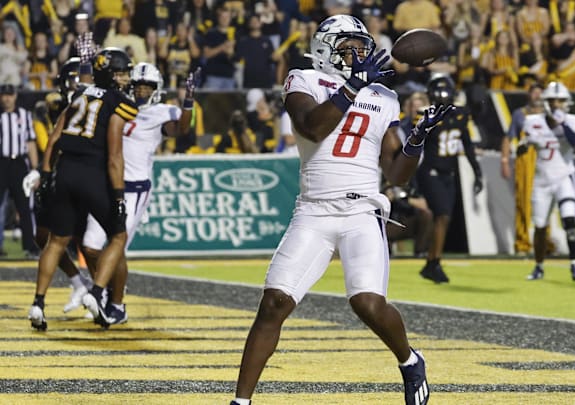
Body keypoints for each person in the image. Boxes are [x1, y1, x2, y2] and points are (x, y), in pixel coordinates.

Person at [230, 14, 446, 405]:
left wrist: (417, 139)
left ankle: (410, 359)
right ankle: (240, 401)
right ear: (325, 48)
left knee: (366, 304)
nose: (359, 54)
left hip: (362, 211)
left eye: (362, 47)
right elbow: (312, 126)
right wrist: (353, 85)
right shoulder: (304, 79)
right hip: (313, 210)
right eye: (349, 46)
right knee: (274, 303)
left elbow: (396, 174)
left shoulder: (385, 97)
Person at [28, 45, 138, 331]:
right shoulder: (117, 101)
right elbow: (114, 155)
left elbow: (53, 140)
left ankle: (38, 303)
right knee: (118, 235)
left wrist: (46, 175)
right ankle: (97, 292)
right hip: (93, 173)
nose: (126, 79)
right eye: (122, 73)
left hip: (64, 172)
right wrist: (118, 195)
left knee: (56, 241)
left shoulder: (79, 94)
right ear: (111, 75)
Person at [80, 63, 195, 324]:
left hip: (134, 188)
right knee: (90, 246)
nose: (142, 90)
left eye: (147, 86)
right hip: (105, 183)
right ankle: (108, 288)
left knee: (116, 248)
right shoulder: (119, 103)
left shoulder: (161, 112)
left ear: (157, 90)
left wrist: (188, 101)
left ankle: (117, 305)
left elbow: (181, 130)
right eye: (139, 85)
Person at [24, 57, 94, 313]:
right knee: (44, 235)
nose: (77, 83)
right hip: (58, 176)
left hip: (86, 176)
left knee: (87, 242)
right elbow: (50, 143)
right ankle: (79, 283)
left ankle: (104, 293)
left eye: (81, 77)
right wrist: (41, 171)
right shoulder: (52, 108)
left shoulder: (95, 103)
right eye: (73, 79)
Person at [416, 74, 483, 283]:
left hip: (448, 173)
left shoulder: (461, 114)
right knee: (442, 215)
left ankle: (432, 261)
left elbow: (468, 144)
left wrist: (477, 171)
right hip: (431, 172)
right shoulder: (428, 116)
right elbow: (414, 147)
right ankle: (433, 262)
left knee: (444, 218)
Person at [519, 81, 575, 281]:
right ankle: (539, 265)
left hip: (564, 176)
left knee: (569, 219)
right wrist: (523, 146)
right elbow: (522, 147)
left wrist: (561, 124)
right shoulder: (532, 121)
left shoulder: (574, 121)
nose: (558, 104)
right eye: (554, 100)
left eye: (562, 100)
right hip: (542, 181)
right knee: (540, 226)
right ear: (546, 101)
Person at [500, 83, 554, 256]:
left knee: (546, 203)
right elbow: (509, 138)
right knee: (523, 202)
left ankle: (544, 242)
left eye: (540, 93)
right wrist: (504, 160)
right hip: (526, 161)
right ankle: (522, 243)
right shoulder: (520, 114)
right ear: (528, 95)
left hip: (546, 161)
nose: (537, 96)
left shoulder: (550, 115)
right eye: (534, 92)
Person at [0, 83, 39, 259]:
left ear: (15, 96)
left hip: (19, 163)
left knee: (25, 207)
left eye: (9, 95)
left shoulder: (24, 116)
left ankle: (30, 247)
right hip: (2, 163)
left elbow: (30, 143)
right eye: (4, 95)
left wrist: (35, 170)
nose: (7, 98)